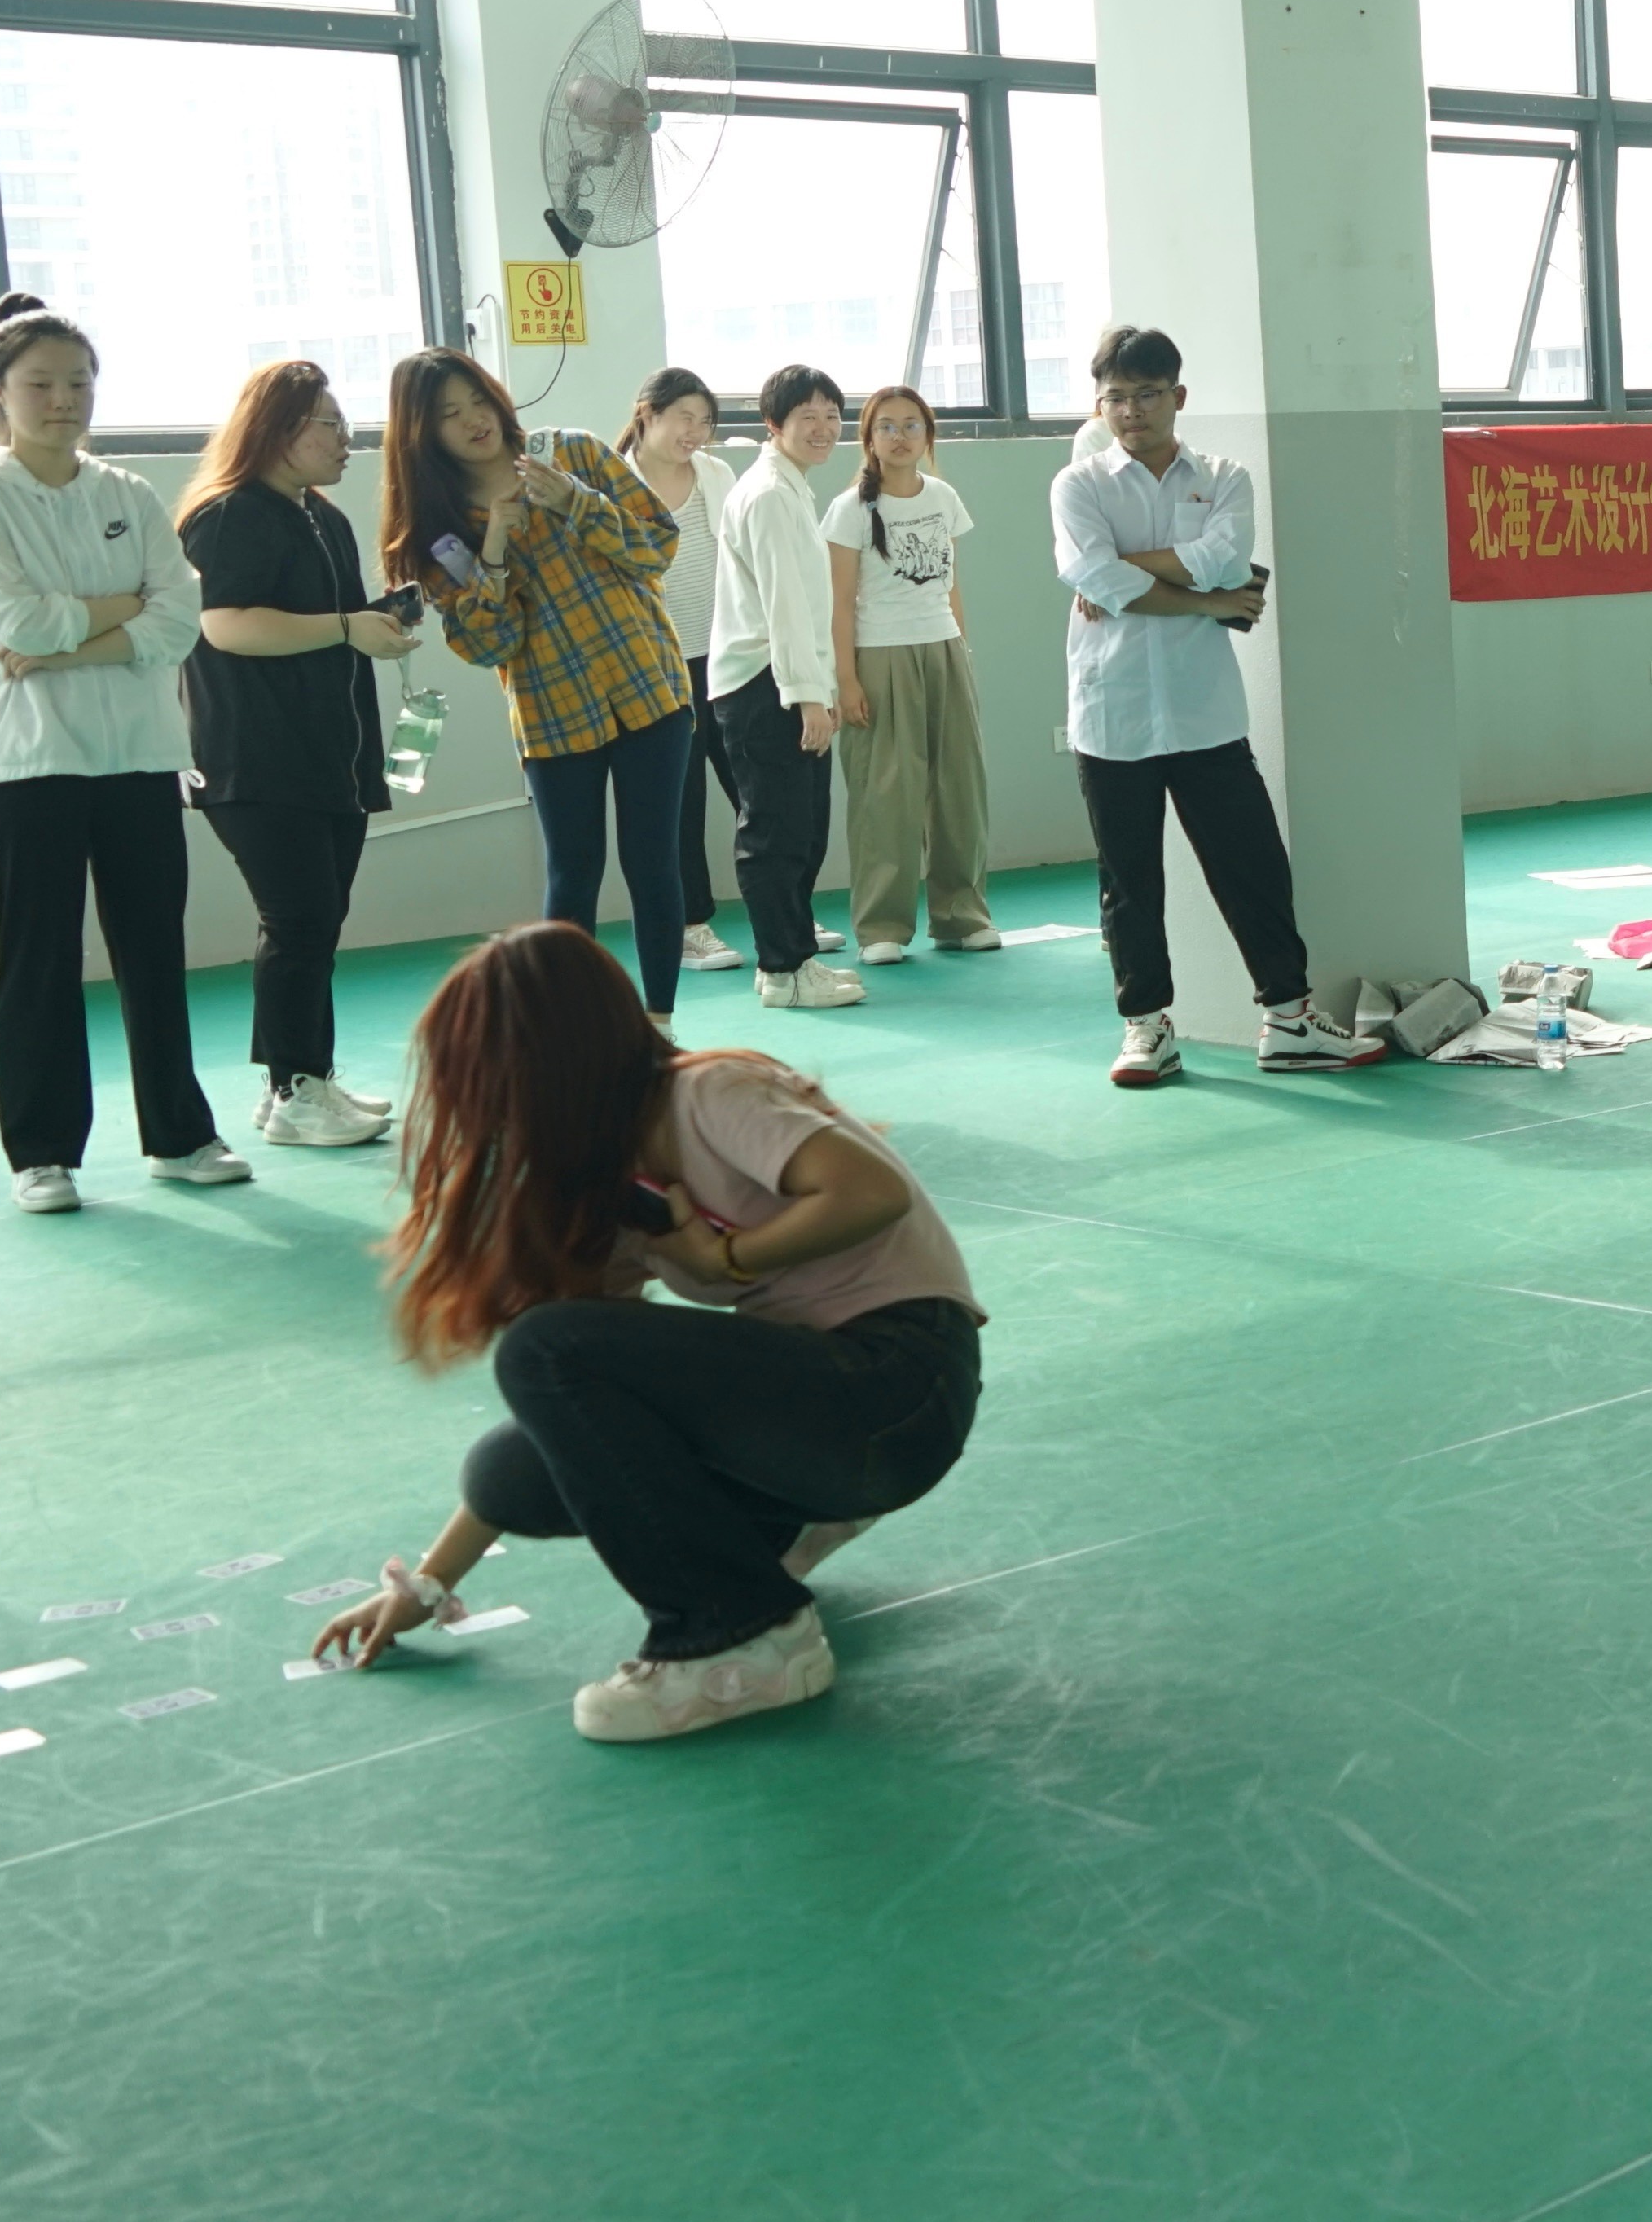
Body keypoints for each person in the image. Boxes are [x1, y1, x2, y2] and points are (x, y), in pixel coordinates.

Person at [313, 923, 984, 1742]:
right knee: (509, 1471)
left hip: (898, 1385)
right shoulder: (612, 1175)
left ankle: (741, 1636)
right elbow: (574, 1400)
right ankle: (780, 1529)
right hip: (823, 1415)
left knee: (544, 1346)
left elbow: (870, 1191)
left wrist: (724, 1256)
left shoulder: (709, 1092)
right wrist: (425, 1585)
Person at [0, 296, 237, 1213]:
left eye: (78, 382)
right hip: (30, 761)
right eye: (41, 384)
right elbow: (19, 622)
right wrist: (122, 611)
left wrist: (71, 644)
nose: (64, 400)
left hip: (140, 754)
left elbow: (179, 618)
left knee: (154, 951)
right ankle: (41, 1152)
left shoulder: (130, 494)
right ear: (0, 393)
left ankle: (180, 1135)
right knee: (38, 958)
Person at [1052, 325, 1379, 1084]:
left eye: (1146, 395)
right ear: (1100, 405)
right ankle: (1146, 1029)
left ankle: (1290, 1021)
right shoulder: (1079, 485)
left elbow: (1224, 558)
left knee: (1253, 867)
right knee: (1128, 883)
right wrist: (1204, 600)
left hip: (1205, 712)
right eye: (1115, 398)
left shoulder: (1225, 476)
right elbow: (1103, 578)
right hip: (1113, 713)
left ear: (1178, 397)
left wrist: (1120, 570)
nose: (1131, 411)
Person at [385, 351, 701, 1017]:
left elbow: (658, 547)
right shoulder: (440, 534)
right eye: (448, 414)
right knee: (573, 875)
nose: (473, 420)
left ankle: (660, 1023)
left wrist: (577, 503)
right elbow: (488, 644)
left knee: (653, 864)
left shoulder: (573, 454)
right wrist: (495, 551)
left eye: (477, 399)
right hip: (552, 715)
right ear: (422, 434)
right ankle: (571, 1037)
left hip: (648, 687)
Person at [179, 358, 413, 1148]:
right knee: (300, 918)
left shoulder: (323, 517)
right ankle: (294, 1090)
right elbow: (226, 624)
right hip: (255, 759)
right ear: (279, 430)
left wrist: (380, 619)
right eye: (330, 425)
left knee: (316, 919)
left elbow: (333, 621)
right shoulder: (229, 515)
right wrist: (347, 627)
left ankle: (301, 1075)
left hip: (331, 759)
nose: (348, 439)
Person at [820, 384, 996, 963]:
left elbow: (952, 584)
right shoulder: (850, 509)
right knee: (884, 797)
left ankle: (962, 917)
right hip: (880, 655)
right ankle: (882, 929)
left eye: (911, 425)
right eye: (887, 427)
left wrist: (962, 651)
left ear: (928, 435)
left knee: (960, 790)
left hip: (943, 650)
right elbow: (839, 605)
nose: (900, 437)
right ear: (868, 439)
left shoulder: (943, 496)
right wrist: (846, 681)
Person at [710, 366, 860, 1011]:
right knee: (776, 832)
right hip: (764, 685)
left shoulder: (790, 484)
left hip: (785, 681)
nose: (824, 428)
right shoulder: (770, 493)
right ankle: (783, 969)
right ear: (774, 424)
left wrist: (817, 687)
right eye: (808, 417)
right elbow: (785, 605)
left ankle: (794, 957)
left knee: (803, 829)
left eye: (832, 415)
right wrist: (807, 695)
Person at [617, 370, 749, 975]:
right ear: (647, 414)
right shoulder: (612, 482)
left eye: (705, 422)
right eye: (684, 418)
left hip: (726, 658)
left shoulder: (717, 475)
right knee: (681, 803)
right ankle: (689, 926)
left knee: (756, 788)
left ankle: (781, 910)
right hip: (656, 668)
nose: (695, 432)